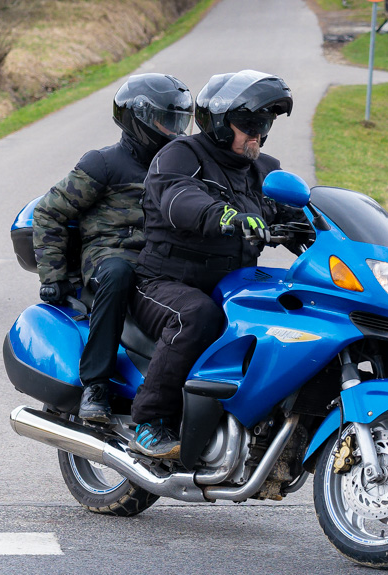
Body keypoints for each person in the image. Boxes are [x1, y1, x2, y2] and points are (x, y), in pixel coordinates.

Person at [128, 70, 297, 458]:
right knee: (197, 315)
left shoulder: (264, 168)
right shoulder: (181, 154)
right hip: (162, 282)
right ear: (220, 123)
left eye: (265, 123)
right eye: (249, 123)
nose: (258, 133)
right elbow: (178, 197)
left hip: (233, 284)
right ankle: (149, 421)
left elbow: (301, 211)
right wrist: (225, 216)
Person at [33, 73, 193, 424]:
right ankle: (96, 385)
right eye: (167, 121)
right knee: (120, 273)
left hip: (162, 261)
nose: (175, 131)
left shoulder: (181, 165)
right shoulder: (104, 163)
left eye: (179, 121)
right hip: (109, 259)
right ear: (139, 119)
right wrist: (53, 274)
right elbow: (49, 212)